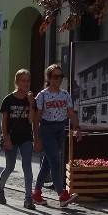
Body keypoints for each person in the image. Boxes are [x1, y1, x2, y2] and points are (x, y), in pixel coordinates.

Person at [31, 64, 81, 207]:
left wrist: (77, 127)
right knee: (55, 161)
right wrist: (36, 138)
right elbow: (36, 118)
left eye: (61, 76)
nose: (59, 79)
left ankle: (36, 193)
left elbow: (71, 112)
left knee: (47, 163)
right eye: (55, 77)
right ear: (49, 78)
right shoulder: (43, 95)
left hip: (60, 129)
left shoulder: (65, 95)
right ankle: (62, 195)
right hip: (47, 129)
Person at [0, 70, 37, 210]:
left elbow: (31, 120)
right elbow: (4, 121)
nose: (26, 83)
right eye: (23, 80)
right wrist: (6, 138)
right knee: (10, 166)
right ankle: (0, 189)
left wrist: (31, 103)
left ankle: (28, 198)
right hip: (11, 138)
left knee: (27, 166)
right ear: (17, 82)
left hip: (25, 137)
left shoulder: (31, 99)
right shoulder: (8, 99)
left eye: (28, 81)